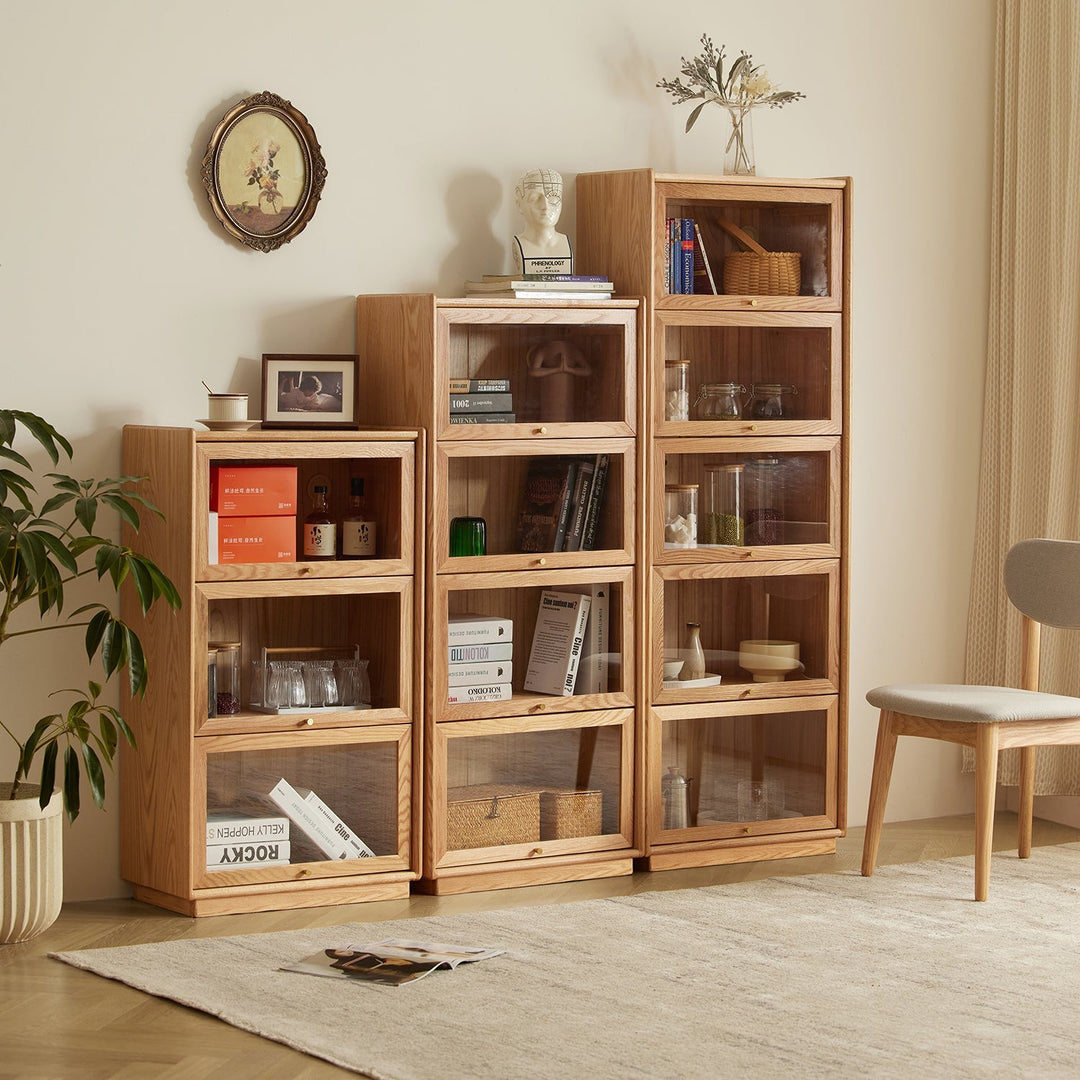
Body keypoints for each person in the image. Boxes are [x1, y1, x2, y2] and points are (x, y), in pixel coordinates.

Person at [511, 167, 573, 276]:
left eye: (554, 197)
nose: (545, 206)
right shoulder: (520, 243)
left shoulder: (565, 243)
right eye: (535, 199)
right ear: (519, 205)